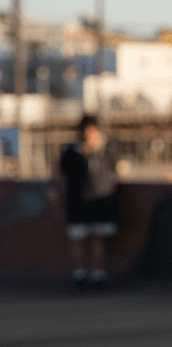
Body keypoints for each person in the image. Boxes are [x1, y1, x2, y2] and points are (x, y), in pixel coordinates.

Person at [57, 115, 119, 289]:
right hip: (77, 202)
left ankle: (98, 274)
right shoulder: (71, 151)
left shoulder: (108, 149)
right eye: (86, 130)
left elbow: (117, 170)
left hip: (101, 202)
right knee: (77, 237)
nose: (89, 134)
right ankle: (80, 274)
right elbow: (62, 176)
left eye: (92, 130)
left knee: (98, 236)